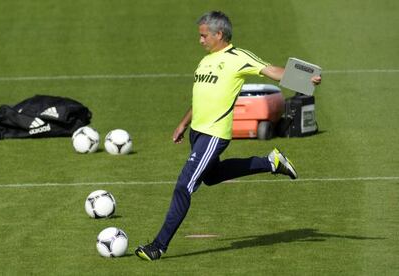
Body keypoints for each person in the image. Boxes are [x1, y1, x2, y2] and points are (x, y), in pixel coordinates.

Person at [135, 11, 321, 261]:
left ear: (219, 34)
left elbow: (270, 70)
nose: (200, 40)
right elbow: (201, 98)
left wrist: (305, 78)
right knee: (211, 176)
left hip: (214, 135)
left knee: (184, 185)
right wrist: (183, 123)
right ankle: (272, 162)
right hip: (197, 133)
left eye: (203, 36)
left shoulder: (238, 57)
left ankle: (158, 246)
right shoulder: (205, 62)